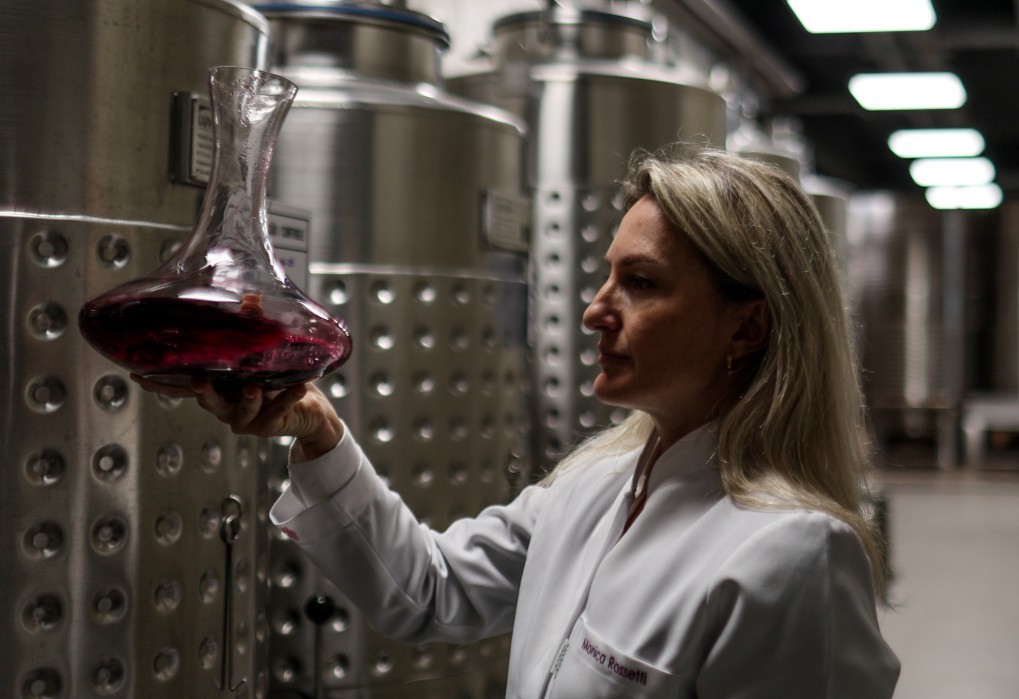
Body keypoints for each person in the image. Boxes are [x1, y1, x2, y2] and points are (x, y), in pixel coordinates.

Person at [134, 146, 900, 697]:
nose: (595, 308)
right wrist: (317, 431)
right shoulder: (592, 486)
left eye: (639, 282)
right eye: (604, 275)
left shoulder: (791, 554)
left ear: (746, 327)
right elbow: (429, 592)